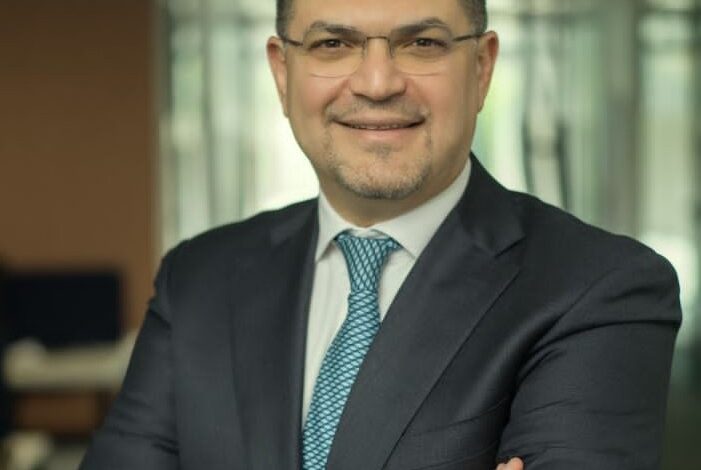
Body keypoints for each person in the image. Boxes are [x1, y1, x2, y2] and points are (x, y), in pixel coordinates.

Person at [80, 0, 681, 469]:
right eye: (333, 43)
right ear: (283, 72)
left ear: (481, 67)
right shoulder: (197, 279)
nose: (376, 83)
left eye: (422, 43)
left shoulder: (599, 290)